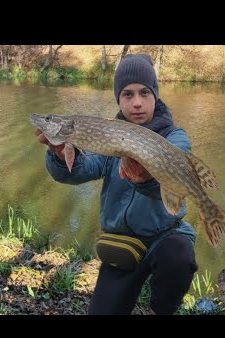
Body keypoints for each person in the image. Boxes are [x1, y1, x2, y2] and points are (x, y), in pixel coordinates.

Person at [35, 54, 198, 315]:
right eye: (127, 94)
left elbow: (173, 184)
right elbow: (77, 172)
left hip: (164, 234)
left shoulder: (175, 137)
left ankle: (161, 310)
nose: (136, 103)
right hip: (121, 242)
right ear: (118, 100)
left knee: (179, 256)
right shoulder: (109, 135)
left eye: (144, 93)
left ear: (155, 95)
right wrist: (58, 154)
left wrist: (145, 177)